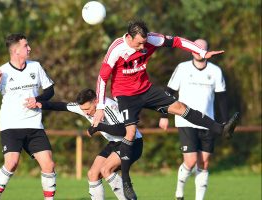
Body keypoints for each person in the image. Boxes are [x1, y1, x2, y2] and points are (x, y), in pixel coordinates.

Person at [93, 19, 239, 200]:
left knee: (180, 107)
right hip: (125, 96)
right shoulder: (116, 49)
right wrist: (99, 106)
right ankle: (126, 181)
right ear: (129, 37)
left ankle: (221, 129)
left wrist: (201, 51)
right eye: (139, 43)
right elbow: (102, 78)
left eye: (144, 42)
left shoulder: (151, 39)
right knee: (129, 133)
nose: (142, 46)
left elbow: (177, 41)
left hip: (146, 89)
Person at [0, 33, 56, 200]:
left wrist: (37, 99)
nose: (29, 48)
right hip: (11, 125)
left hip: (34, 125)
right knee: (12, 163)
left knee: (49, 164)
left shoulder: (35, 66)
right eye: (25, 46)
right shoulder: (2, 71)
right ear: (15, 51)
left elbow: (50, 91)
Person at [34, 88, 143, 200]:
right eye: (83, 109)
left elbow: (123, 130)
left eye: (88, 109)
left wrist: (98, 127)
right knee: (92, 174)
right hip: (114, 143)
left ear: (96, 102)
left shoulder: (108, 106)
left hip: (131, 142)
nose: (86, 112)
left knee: (106, 170)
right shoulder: (84, 108)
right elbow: (62, 106)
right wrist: (40, 104)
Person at [159, 39, 234, 200]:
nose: (198, 50)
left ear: (208, 50)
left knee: (204, 163)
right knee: (191, 160)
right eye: (196, 48)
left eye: (202, 48)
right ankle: (179, 192)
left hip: (208, 122)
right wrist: (164, 115)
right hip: (185, 121)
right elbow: (169, 92)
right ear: (191, 50)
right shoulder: (182, 68)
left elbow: (221, 98)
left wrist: (225, 122)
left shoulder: (215, 71)